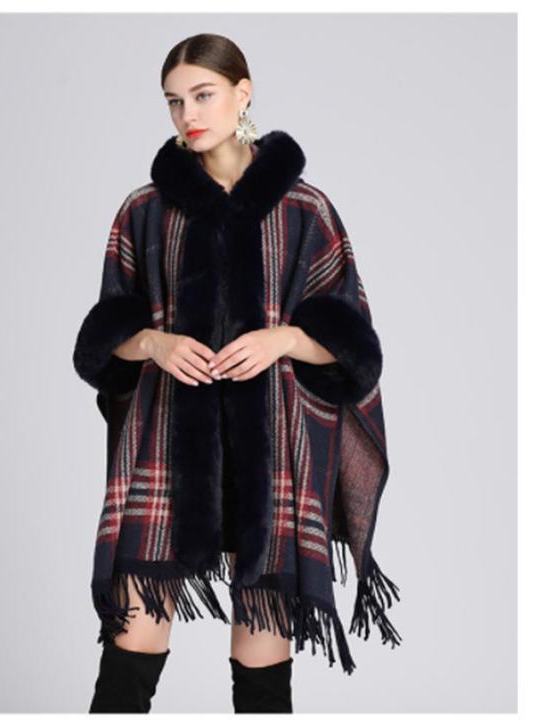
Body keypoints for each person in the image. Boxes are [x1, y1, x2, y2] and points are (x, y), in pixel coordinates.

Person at [73, 32, 399, 715]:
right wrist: (154, 343)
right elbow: (101, 344)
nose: (187, 114)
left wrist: (285, 339)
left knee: (262, 683)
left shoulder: (305, 209)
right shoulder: (145, 209)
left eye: (203, 94)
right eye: (173, 101)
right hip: (166, 446)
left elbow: (355, 350)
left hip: (272, 455)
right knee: (127, 663)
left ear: (242, 95)